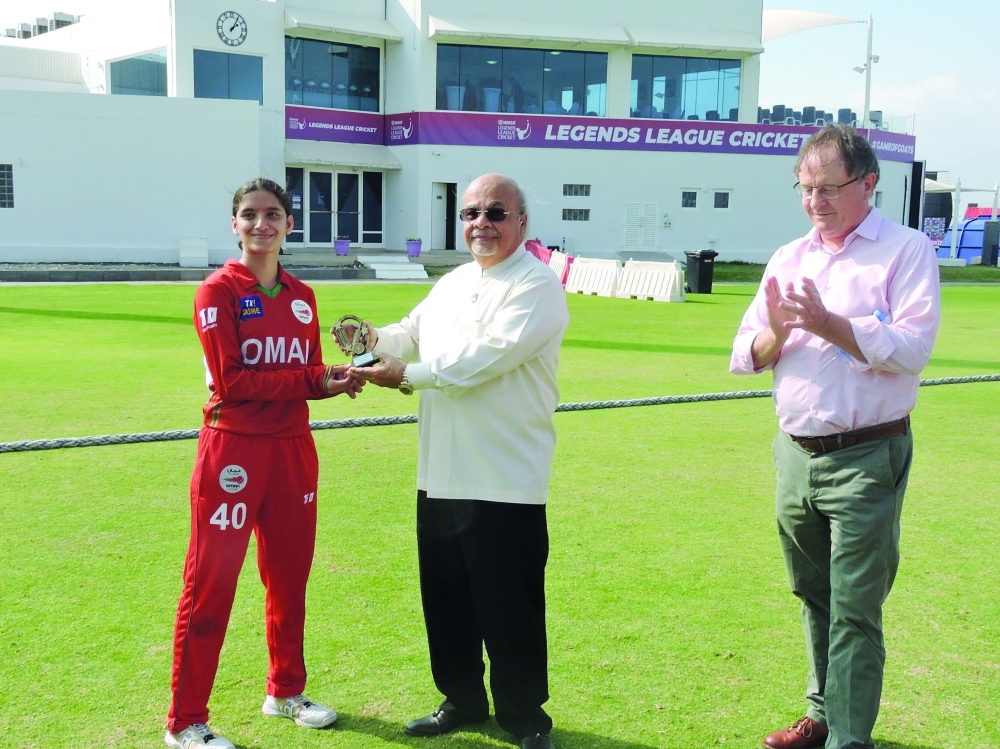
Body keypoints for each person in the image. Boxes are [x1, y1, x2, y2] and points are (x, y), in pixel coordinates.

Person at [729, 124, 940, 749]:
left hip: (867, 454)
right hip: (795, 454)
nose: (814, 201)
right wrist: (781, 334)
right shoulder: (789, 257)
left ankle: (851, 739)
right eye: (804, 188)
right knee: (812, 593)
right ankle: (822, 717)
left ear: (869, 184)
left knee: (854, 607)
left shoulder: (904, 251)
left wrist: (827, 322)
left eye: (828, 188)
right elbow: (746, 351)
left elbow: (911, 348)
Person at [342, 173, 568, 749]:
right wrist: (370, 340)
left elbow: (481, 361)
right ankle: (462, 701)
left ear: (521, 222)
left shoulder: (537, 285)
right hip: (440, 472)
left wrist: (404, 376)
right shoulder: (453, 282)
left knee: (509, 606)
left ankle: (524, 719)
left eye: (496, 212)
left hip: (505, 477)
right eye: (471, 213)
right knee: (446, 601)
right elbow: (409, 333)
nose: (481, 223)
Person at [166, 178, 361, 749]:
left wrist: (337, 381)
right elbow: (232, 382)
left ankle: (284, 691)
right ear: (235, 224)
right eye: (250, 215)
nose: (262, 225)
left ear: (288, 224)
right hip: (234, 449)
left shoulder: (303, 296)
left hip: (294, 451)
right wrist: (309, 380)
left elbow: (307, 375)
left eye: (273, 214)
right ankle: (186, 721)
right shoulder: (217, 291)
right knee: (210, 585)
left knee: (290, 579)